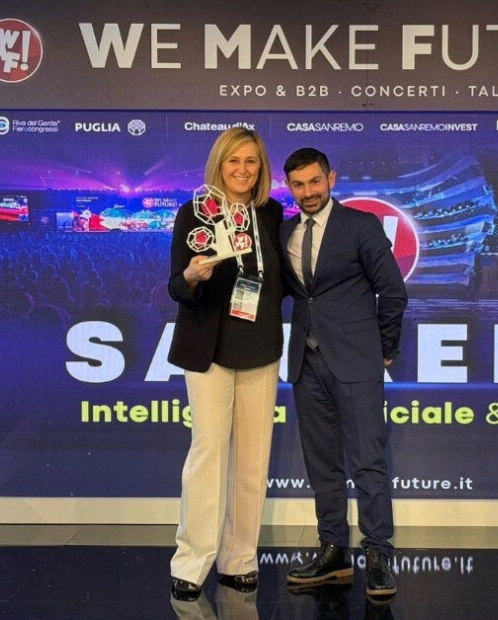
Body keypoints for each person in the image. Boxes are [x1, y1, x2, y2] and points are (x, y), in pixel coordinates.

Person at [279, 148, 408, 598]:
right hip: (305, 363)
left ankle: (379, 555)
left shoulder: (361, 225)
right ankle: (332, 549)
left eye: (315, 182)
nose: (308, 192)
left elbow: (393, 292)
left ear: (330, 178)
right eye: (299, 185)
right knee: (322, 464)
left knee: (368, 463)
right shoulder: (284, 231)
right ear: (289, 187)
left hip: (356, 361)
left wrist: (383, 348)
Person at [168, 127, 284, 600]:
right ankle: (192, 562)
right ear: (218, 164)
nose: (242, 169)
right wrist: (192, 276)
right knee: (209, 454)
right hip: (209, 350)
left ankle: (239, 559)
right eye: (233, 160)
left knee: (252, 461)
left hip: (261, 348)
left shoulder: (273, 213)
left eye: (251, 161)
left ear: (261, 168)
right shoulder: (194, 212)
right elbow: (176, 285)